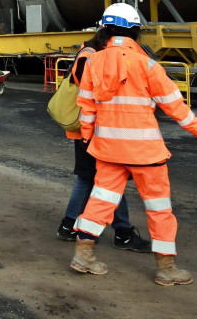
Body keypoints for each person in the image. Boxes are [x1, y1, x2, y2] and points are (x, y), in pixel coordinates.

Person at [69, 3, 197, 286]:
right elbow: (174, 105)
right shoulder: (147, 64)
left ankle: (83, 255)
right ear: (136, 31)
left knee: (100, 201)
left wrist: (88, 137)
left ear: (105, 30)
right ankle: (166, 268)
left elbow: (86, 106)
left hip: (108, 149)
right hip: (145, 152)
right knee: (159, 208)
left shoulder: (94, 62)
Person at [55, 35, 151, 253]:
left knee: (96, 179)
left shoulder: (89, 53)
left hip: (92, 130)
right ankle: (118, 232)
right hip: (90, 130)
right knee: (102, 178)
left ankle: (73, 226)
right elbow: (91, 90)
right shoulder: (90, 56)